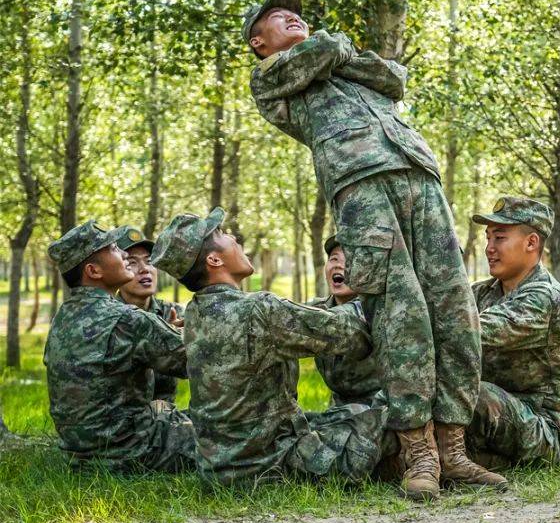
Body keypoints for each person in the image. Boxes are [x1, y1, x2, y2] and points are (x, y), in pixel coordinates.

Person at [244, 0, 493, 497]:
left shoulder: (330, 62)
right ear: (258, 41)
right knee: (402, 317)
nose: (293, 17)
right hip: (359, 187)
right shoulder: (271, 78)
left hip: (420, 176)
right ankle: (417, 454)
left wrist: (343, 57)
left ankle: (452, 448)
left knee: (455, 309)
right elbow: (323, 51)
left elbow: (394, 78)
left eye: (297, 13)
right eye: (277, 17)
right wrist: (338, 50)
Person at [151, 208, 389, 487]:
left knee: (346, 414)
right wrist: (371, 301)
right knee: (392, 410)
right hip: (273, 466)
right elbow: (348, 334)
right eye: (222, 234)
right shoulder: (257, 310)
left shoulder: (194, 314)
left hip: (218, 469)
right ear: (214, 259)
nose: (233, 238)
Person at [45, 221, 194, 472]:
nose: (124, 254)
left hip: (81, 457)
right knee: (228, 429)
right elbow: (200, 361)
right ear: (93, 271)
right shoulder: (125, 319)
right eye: (114, 249)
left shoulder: (63, 317)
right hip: (133, 452)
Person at [467, 197, 560, 470]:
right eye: (488, 239)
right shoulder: (482, 292)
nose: (489, 249)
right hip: (496, 421)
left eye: (500, 238)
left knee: (471, 394)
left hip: (545, 432)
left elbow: (468, 330)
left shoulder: (547, 297)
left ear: (531, 243)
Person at [307, 234, 380, 408]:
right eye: (334, 259)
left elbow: (341, 319)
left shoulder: (376, 309)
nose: (339, 265)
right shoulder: (318, 308)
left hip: (379, 408)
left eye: (349, 260)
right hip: (338, 408)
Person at [116, 226, 186, 402]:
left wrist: (181, 336)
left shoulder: (172, 313)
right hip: (124, 421)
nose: (144, 269)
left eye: (149, 261)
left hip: (166, 417)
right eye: (132, 262)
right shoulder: (109, 317)